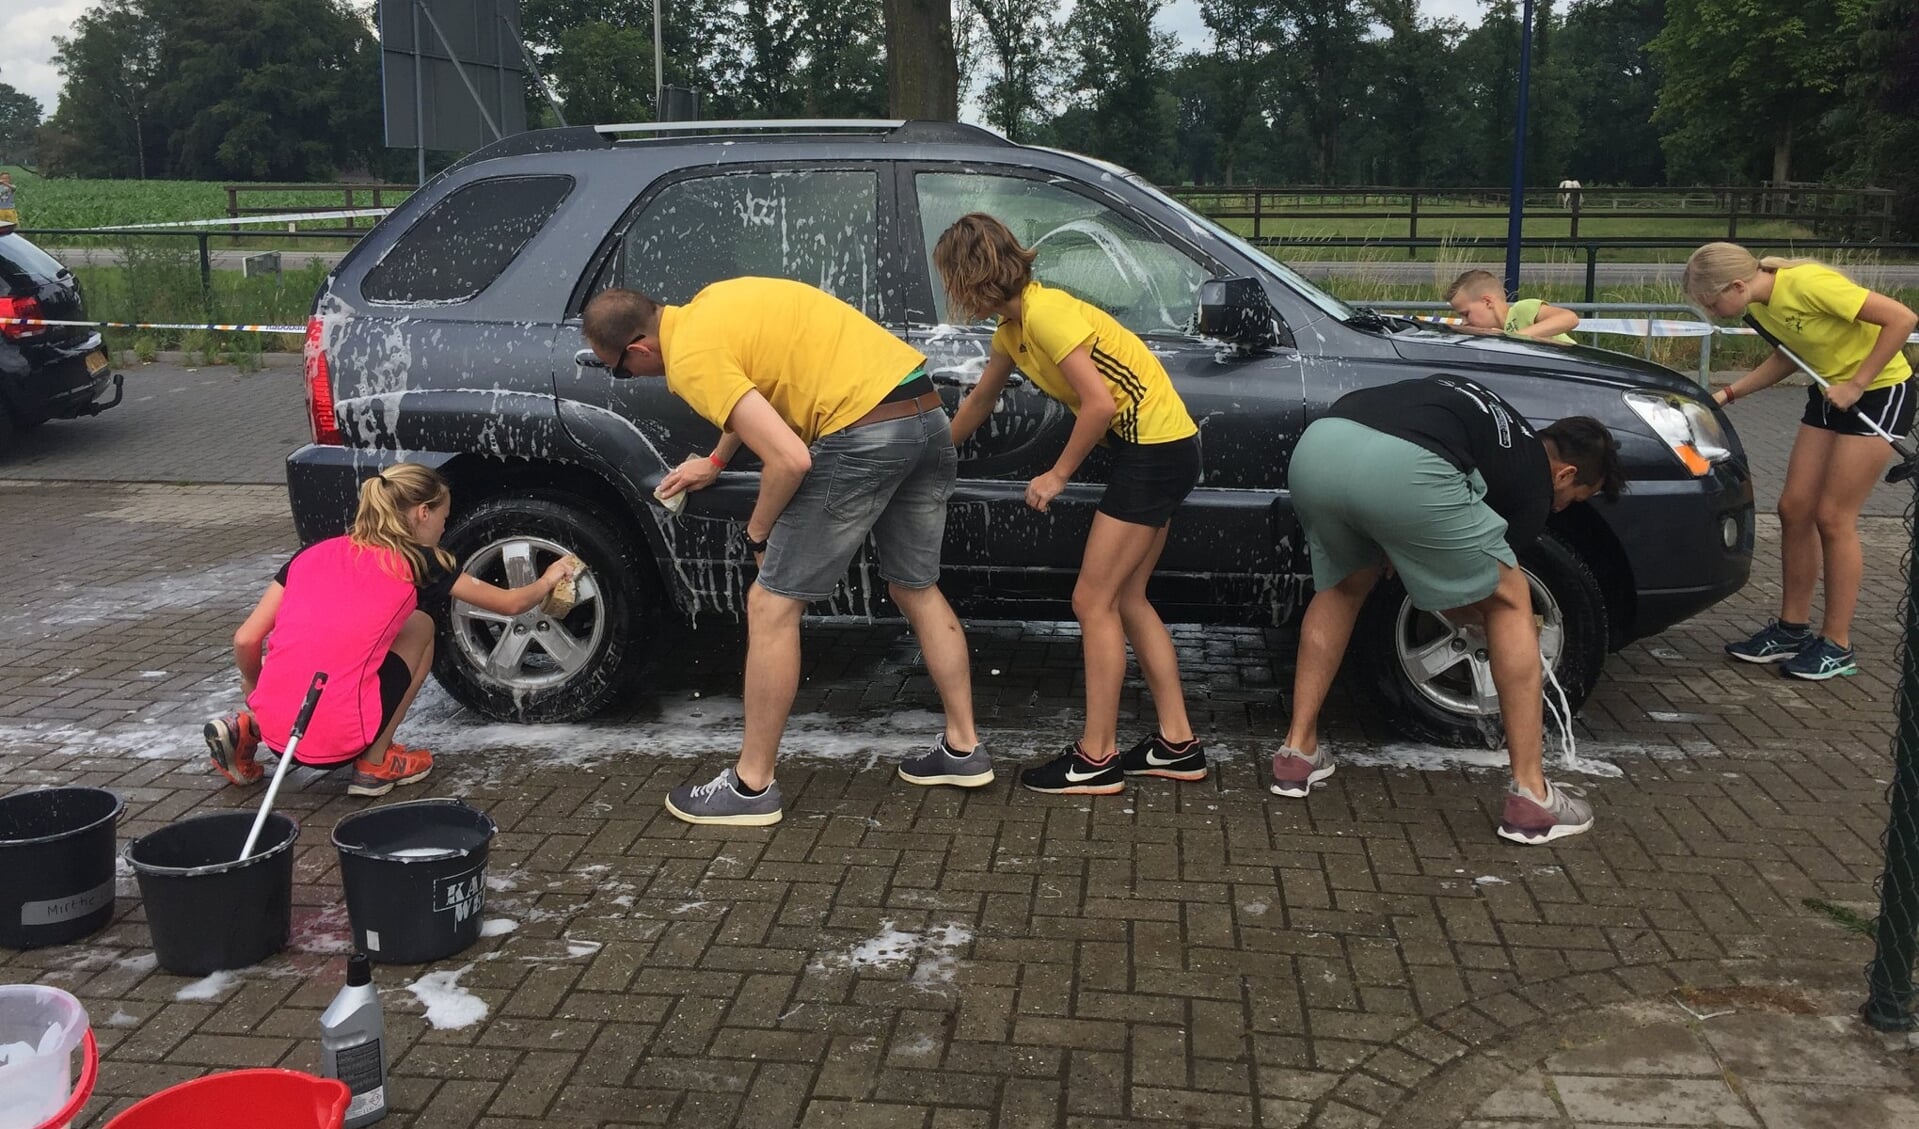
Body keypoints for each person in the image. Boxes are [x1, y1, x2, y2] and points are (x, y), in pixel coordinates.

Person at [581, 279, 984, 826]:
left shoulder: (689, 359)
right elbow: (762, 389)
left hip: (863, 434)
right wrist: (718, 461)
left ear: (640, 350)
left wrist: (758, 533)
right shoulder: (712, 303)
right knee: (915, 585)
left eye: (618, 371)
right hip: (924, 416)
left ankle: (751, 786)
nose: (624, 380)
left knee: (771, 605)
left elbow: (790, 460)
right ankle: (964, 749)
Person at [1271, 376, 1623, 845]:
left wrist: (1398, 541)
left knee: (1340, 589)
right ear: (1565, 474)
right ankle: (1532, 797)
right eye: (1574, 498)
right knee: (1510, 602)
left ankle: (1297, 752)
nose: (1562, 508)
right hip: (1406, 467)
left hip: (1321, 447)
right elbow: (1466, 599)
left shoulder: (1504, 425)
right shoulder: (1533, 490)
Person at [932, 212, 1206, 796]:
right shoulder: (1013, 332)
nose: (951, 295)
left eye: (952, 281)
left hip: (1155, 452)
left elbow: (1099, 405)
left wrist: (1057, 475)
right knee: (1128, 598)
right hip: (1162, 450)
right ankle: (1177, 745)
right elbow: (980, 400)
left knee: (1092, 600)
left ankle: (1097, 757)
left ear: (973, 278)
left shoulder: (1048, 315)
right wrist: (934, 457)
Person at [205, 464, 576, 796]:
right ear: (422, 513)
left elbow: (246, 638)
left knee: (317, 653)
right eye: (443, 519)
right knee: (421, 626)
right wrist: (548, 578)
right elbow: (511, 604)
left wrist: (256, 693)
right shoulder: (417, 563)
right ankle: (375, 763)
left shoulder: (311, 554)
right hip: (339, 740)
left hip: (279, 735)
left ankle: (247, 725)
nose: (444, 527)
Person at [1686, 243, 1919, 680]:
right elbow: (1789, 356)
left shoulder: (1809, 285)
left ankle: (1837, 644)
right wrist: (1728, 394)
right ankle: (1792, 629)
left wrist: (1857, 382)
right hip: (1830, 394)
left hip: (1880, 392)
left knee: (1833, 517)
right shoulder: (1764, 304)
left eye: (1712, 302)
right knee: (1794, 509)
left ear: (1736, 285)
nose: (1713, 312)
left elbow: (1903, 319)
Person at [1446, 269, 1579, 344]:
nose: (1464, 322)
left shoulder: (1522, 309)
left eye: (1465, 314)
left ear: (1487, 302)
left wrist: (1512, 338)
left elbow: (1570, 318)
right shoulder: (1495, 334)